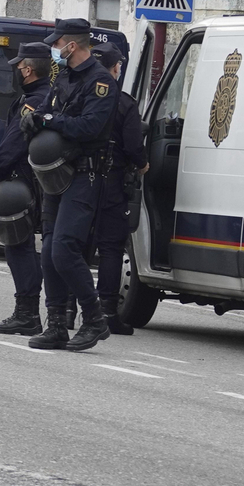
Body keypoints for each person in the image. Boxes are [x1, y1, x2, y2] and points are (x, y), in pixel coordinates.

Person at [26, 18, 118, 352]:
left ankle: (94, 318)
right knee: (49, 249)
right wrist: (36, 119)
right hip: (56, 173)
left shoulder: (100, 82)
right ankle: (57, 323)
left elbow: (90, 126)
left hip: (85, 174)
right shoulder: (63, 77)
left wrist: (51, 120)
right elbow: (49, 108)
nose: (54, 50)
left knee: (65, 247)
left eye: (57, 44)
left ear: (72, 45)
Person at [0, 42, 54, 335]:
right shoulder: (41, 96)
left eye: (18, 65)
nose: (15, 69)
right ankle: (34, 312)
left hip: (22, 181)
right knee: (25, 247)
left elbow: (15, 142)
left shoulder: (34, 101)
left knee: (18, 246)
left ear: (27, 69)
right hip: (32, 180)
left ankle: (27, 313)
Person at [91, 42, 146, 335]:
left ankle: (69, 309)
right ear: (115, 68)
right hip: (112, 183)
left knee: (77, 246)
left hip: (79, 183)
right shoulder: (124, 103)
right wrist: (142, 164)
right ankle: (107, 311)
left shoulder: (80, 96)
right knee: (111, 248)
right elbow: (135, 145)